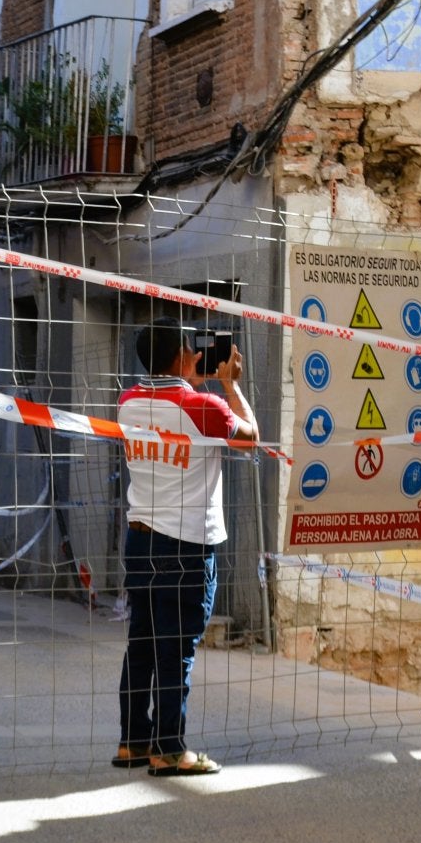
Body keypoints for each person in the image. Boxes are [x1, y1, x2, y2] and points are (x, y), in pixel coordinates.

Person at [113, 318, 258, 776]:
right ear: (181, 355)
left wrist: (195, 382)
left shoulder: (128, 401)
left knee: (142, 642)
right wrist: (230, 385)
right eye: (190, 350)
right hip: (185, 545)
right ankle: (170, 748)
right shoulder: (207, 407)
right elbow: (250, 438)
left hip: (139, 540)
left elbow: (170, 399)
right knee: (177, 648)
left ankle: (133, 742)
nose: (198, 355)